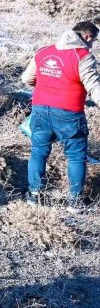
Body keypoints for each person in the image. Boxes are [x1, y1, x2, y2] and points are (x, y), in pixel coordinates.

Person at [21, 21, 100, 210]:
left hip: (40, 110)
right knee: (75, 156)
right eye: (94, 41)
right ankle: (74, 202)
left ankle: (34, 196)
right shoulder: (83, 56)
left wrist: (50, 86)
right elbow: (94, 87)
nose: (93, 45)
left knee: (39, 151)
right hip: (69, 113)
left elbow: (26, 79)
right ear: (87, 36)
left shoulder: (44, 51)